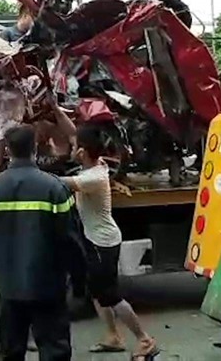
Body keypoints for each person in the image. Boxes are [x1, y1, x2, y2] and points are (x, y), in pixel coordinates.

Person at [0, 124, 87, 361]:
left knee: (9, 352)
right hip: (48, 287)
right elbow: (70, 240)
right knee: (54, 351)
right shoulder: (54, 188)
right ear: (35, 147)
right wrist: (79, 282)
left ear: (7, 150)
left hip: (9, 289)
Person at [59, 124, 158, 360]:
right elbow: (74, 132)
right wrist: (54, 107)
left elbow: (59, 182)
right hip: (96, 238)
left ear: (82, 152)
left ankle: (145, 340)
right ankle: (113, 337)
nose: (71, 148)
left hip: (103, 242)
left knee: (109, 295)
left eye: (74, 147)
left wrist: (28, 170)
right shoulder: (95, 165)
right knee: (96, 291)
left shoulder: (92, 177)